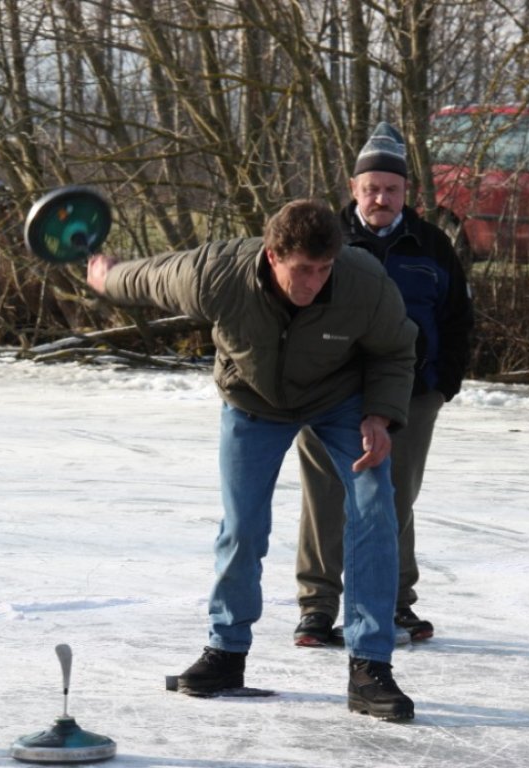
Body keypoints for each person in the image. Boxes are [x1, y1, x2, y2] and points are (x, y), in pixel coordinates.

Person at [86, 198, 419, 721]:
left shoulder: (362, 280)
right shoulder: (217, 274)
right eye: (301, 270)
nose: (312, 282)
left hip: (340, 400)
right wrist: (108, 278)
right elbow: (151, 277)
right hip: (252, 401)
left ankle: (370, 667)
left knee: (374, 511)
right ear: (271, 255)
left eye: (323, 268)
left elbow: (397, 349)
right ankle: (225, 653)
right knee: (242, 527)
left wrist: (380, 416)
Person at [293, 122, 474, 648]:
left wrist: (443, 385)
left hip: (412, 395)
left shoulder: (433, 245)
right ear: (353, 189)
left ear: (405, 194)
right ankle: (317, 607)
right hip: (327, 391)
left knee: (393, 500)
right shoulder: (325, 238)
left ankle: (394, 604)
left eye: (391, 189)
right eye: (371, 188)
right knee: (324, 497)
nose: (381, 198)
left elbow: (458, 319)